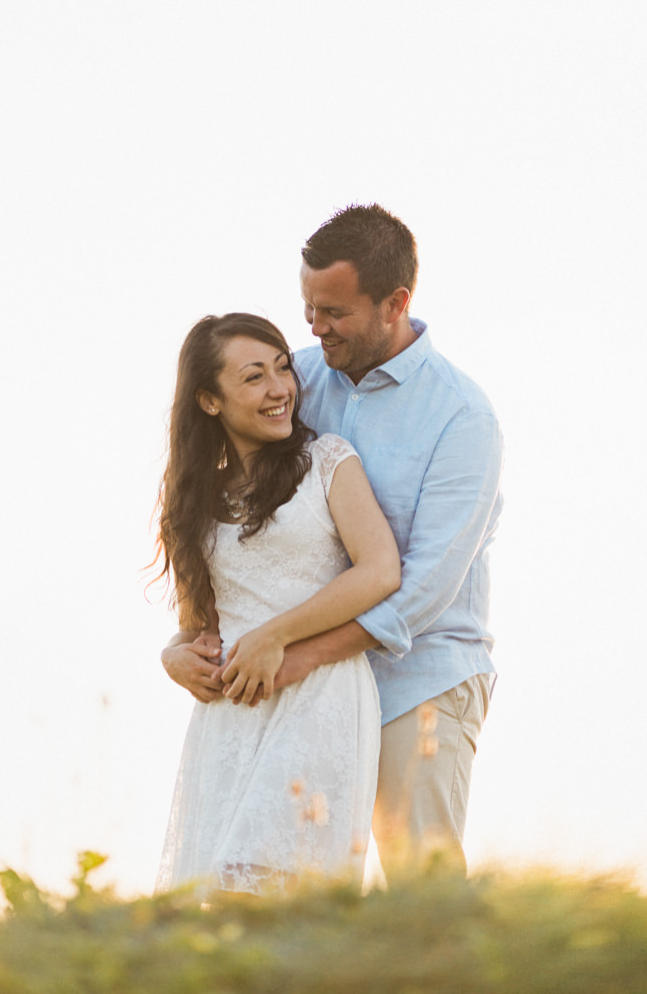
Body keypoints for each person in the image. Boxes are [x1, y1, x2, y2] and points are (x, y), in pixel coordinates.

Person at [162, 203, 504, 879]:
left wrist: (295, 651)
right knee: (284, 879)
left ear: (394, 303)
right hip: (298, 691)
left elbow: (421, 589)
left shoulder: (462, 418)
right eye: (309, 308)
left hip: (420, 676)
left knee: (419, 887)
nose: (315, 328)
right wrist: (182, 648)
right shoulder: (298, 380)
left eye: (334, 313)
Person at [154, 313, 400, 896]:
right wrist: (173, 655)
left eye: (283, 369)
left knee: (278, 884)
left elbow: (380, 570)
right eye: (254, 377)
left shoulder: (328, 461)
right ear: (210, 400)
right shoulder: (195, 499)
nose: (279, 389)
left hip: (320, 697)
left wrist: (276, 636)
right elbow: (197, 624)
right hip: (232, 712)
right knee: (219, 901)